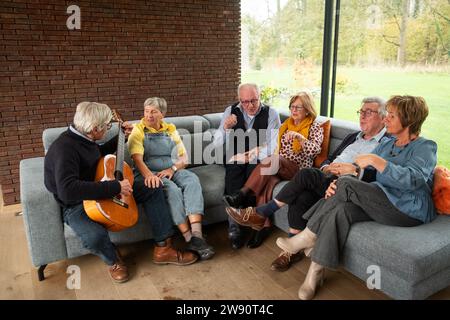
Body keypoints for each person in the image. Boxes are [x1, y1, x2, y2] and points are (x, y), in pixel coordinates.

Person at [276, 95, 437, 300]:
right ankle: (314, 274)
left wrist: (376, 162)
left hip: (407, 209)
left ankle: (307, 236)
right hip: (382, 199)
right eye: (386, 114)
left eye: (391, 115)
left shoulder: (426, 147)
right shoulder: (388, 145)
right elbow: (364, 170)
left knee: (344, 185)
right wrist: (347, 175)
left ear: (408, 120)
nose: (386, 119)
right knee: (340, 210)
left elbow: (413, 180)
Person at [225, 97, 387, 270]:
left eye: (368, 112)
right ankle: (289, 248)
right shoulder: (353, 136)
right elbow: (330, 158)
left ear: (383, 117)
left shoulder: (386, 143)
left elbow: (379, 174)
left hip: (346, 183)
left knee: (301, 172)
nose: (362, 116)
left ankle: (259, 211)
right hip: (325, 176)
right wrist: (326, 167)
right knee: (297, 192)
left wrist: (351, 170)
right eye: (361, 112)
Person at [44, 102, 197, 284]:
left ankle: (163, 248)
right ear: (94, 128)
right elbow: (68, 190)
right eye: (107, 127)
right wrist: (116, 187)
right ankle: (113, 260)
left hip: (100, 187)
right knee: (94, 236)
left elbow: (95, 155)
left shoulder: (85, 138)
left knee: (154, 187)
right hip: (76, 203)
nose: (108, 128)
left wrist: (120, 138)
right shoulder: (64, 148)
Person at [224, 91, 324, 248]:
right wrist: (257, 149)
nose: (294, 110)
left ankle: (241, 194)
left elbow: (315, 150)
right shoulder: (286, 125)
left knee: (273, 160)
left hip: (298, 170)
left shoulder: (314, 127)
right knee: (268, 179)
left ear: (307, 109)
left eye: (298, 107)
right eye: (292, 106)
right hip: (280, 167)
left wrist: (300, 138)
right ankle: (262, 227)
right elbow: (274, 146)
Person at [127, 97, 215, 260]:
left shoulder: (170, 128)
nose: (149, 115)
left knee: (192, 180)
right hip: (149, 171)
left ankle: (197, 237)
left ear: (162, 114)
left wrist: (172, 169)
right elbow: (137, 159)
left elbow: (184, 158)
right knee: (172, 190)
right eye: (146, 111)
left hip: (170, 168)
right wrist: (150, 176)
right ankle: (188, 237)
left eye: (153, 111)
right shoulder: (138, 130)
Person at [211, 83, 281, 250]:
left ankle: (250, 221)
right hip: (235, 155)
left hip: (259, 156)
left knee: (253, 175)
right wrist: (226, 128)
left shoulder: (271, 114)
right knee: (233, 173)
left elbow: (273, 146)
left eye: (254, 101)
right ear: (239, 100)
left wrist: (251, 155)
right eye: (245, 102)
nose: (250, 106)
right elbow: (217, 143)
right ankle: (234, 227)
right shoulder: (230, 111)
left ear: (260, 97)